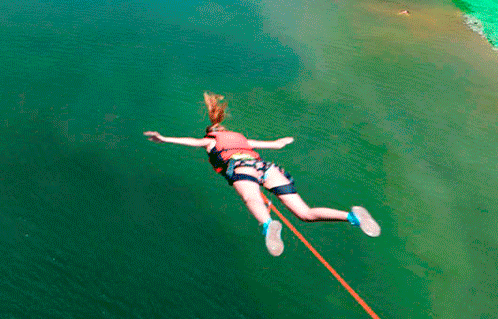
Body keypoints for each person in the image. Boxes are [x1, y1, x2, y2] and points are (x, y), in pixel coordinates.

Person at [143, 92, 380, 256]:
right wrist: (282, 141)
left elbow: (191, 142)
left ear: (211, 134)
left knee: (252, 199)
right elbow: (275, 145)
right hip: (267, 168)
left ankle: (267, 224)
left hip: (242, 168)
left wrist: (163, 138)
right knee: (305, 213)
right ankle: (352, 217)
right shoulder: (243, 139)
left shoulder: (210, 142)